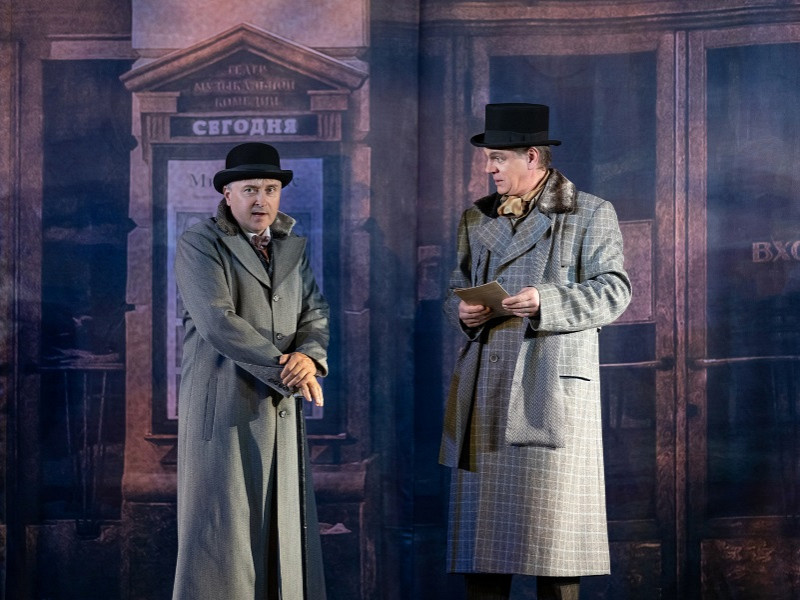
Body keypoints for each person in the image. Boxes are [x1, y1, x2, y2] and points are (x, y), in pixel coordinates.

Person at [439, 103, 632, 600]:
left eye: (498, 158)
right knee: (485, 558)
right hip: (488, 390)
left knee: (555, 553)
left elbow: (615, 291)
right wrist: (462, 312)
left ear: (531, 156)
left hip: (549, 390)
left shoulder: (589, 212)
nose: (490, 168)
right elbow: (456, 287)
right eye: (488, 158)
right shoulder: (476, 218)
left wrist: (548, 300)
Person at [172, 142, 329, 600]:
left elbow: (315, 313)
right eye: (250, 190)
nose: (261, 200)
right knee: (224, 539)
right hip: (224, 408)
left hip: (278, 412)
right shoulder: (200, 242)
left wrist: (309, 357)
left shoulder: (290, 247)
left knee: (280, 534)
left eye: (270, 189)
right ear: (228, 195)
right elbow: (218, 321)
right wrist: (290, 371)